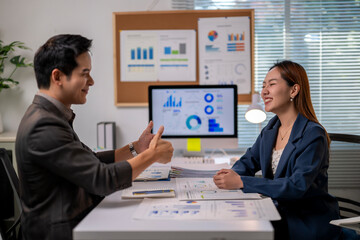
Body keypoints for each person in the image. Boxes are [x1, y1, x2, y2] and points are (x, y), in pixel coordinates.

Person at [15, 34, 174, 240]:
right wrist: (151, 156)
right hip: (58, 233)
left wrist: (137, 148)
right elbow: (101, 179)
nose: (91, 81)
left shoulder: (49, 114)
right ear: (57, 77)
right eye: (85, 73)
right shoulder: (44, 125)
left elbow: (91, 162)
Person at [213, 60, 341, 240]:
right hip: (276, 211)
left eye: (271, 84)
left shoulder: (313, 134)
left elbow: (296, 186)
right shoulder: (272, 128)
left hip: (304, 221)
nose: (264, 91)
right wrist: (228, 175)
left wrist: (241, 182)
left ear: (294, 90)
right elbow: (249, 161)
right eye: (263, 85)